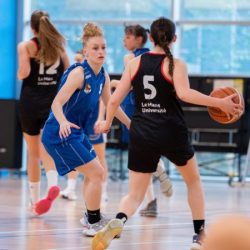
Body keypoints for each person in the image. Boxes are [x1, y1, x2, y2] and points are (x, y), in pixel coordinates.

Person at [92, 17, 243, 250]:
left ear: (150, 38)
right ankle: (198, 236)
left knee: (135, 195)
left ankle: (118, 220)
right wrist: (218, 103)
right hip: (171, 131)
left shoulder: (134, 63)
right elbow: (185, 94)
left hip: (142, 132)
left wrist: (106, 122)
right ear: (174, 38)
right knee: (193, 181)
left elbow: (113, 100)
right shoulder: (176, 64)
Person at [41, 22, 130, 236]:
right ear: (85, 51)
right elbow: (56, 103)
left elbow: (111, 104)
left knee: (94, 174)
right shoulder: (79, 73)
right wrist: (62, 121)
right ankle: (93, 222)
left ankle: (92, 217)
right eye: (96, 48)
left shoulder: (104, 76)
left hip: (76, 132)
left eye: (103, 47)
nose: (101, 52)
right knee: (97, 172)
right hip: (58, 132)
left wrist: (130, 124)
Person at [111, 24, 173, 217]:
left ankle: (159, 168)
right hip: (155, 110)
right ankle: (151, 202)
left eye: (128, 36)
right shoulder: (157, 57)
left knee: (140, 161)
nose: (124, 40)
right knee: (145, 157)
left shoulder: (130, 58)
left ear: (140, 39)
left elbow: (127, 86)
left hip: (134, 111)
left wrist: (111, 83)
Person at [17, 10, 70, 216]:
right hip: (51, 104)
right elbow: (67, 73)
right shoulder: (59, 47)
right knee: (46, 148)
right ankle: (53, 184)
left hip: (30, 103)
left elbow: (24, 74)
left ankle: (34, 201)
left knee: (33, 153)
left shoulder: (26, 46)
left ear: (32, 27)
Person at [60, 100, 110, 202]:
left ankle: (103, 192)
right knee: (76, 153)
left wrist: (100, 118)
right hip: (78, 116)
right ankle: (71, 188)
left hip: (95, 118)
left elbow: (103, 98)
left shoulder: (101, 83)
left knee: (99, 156)